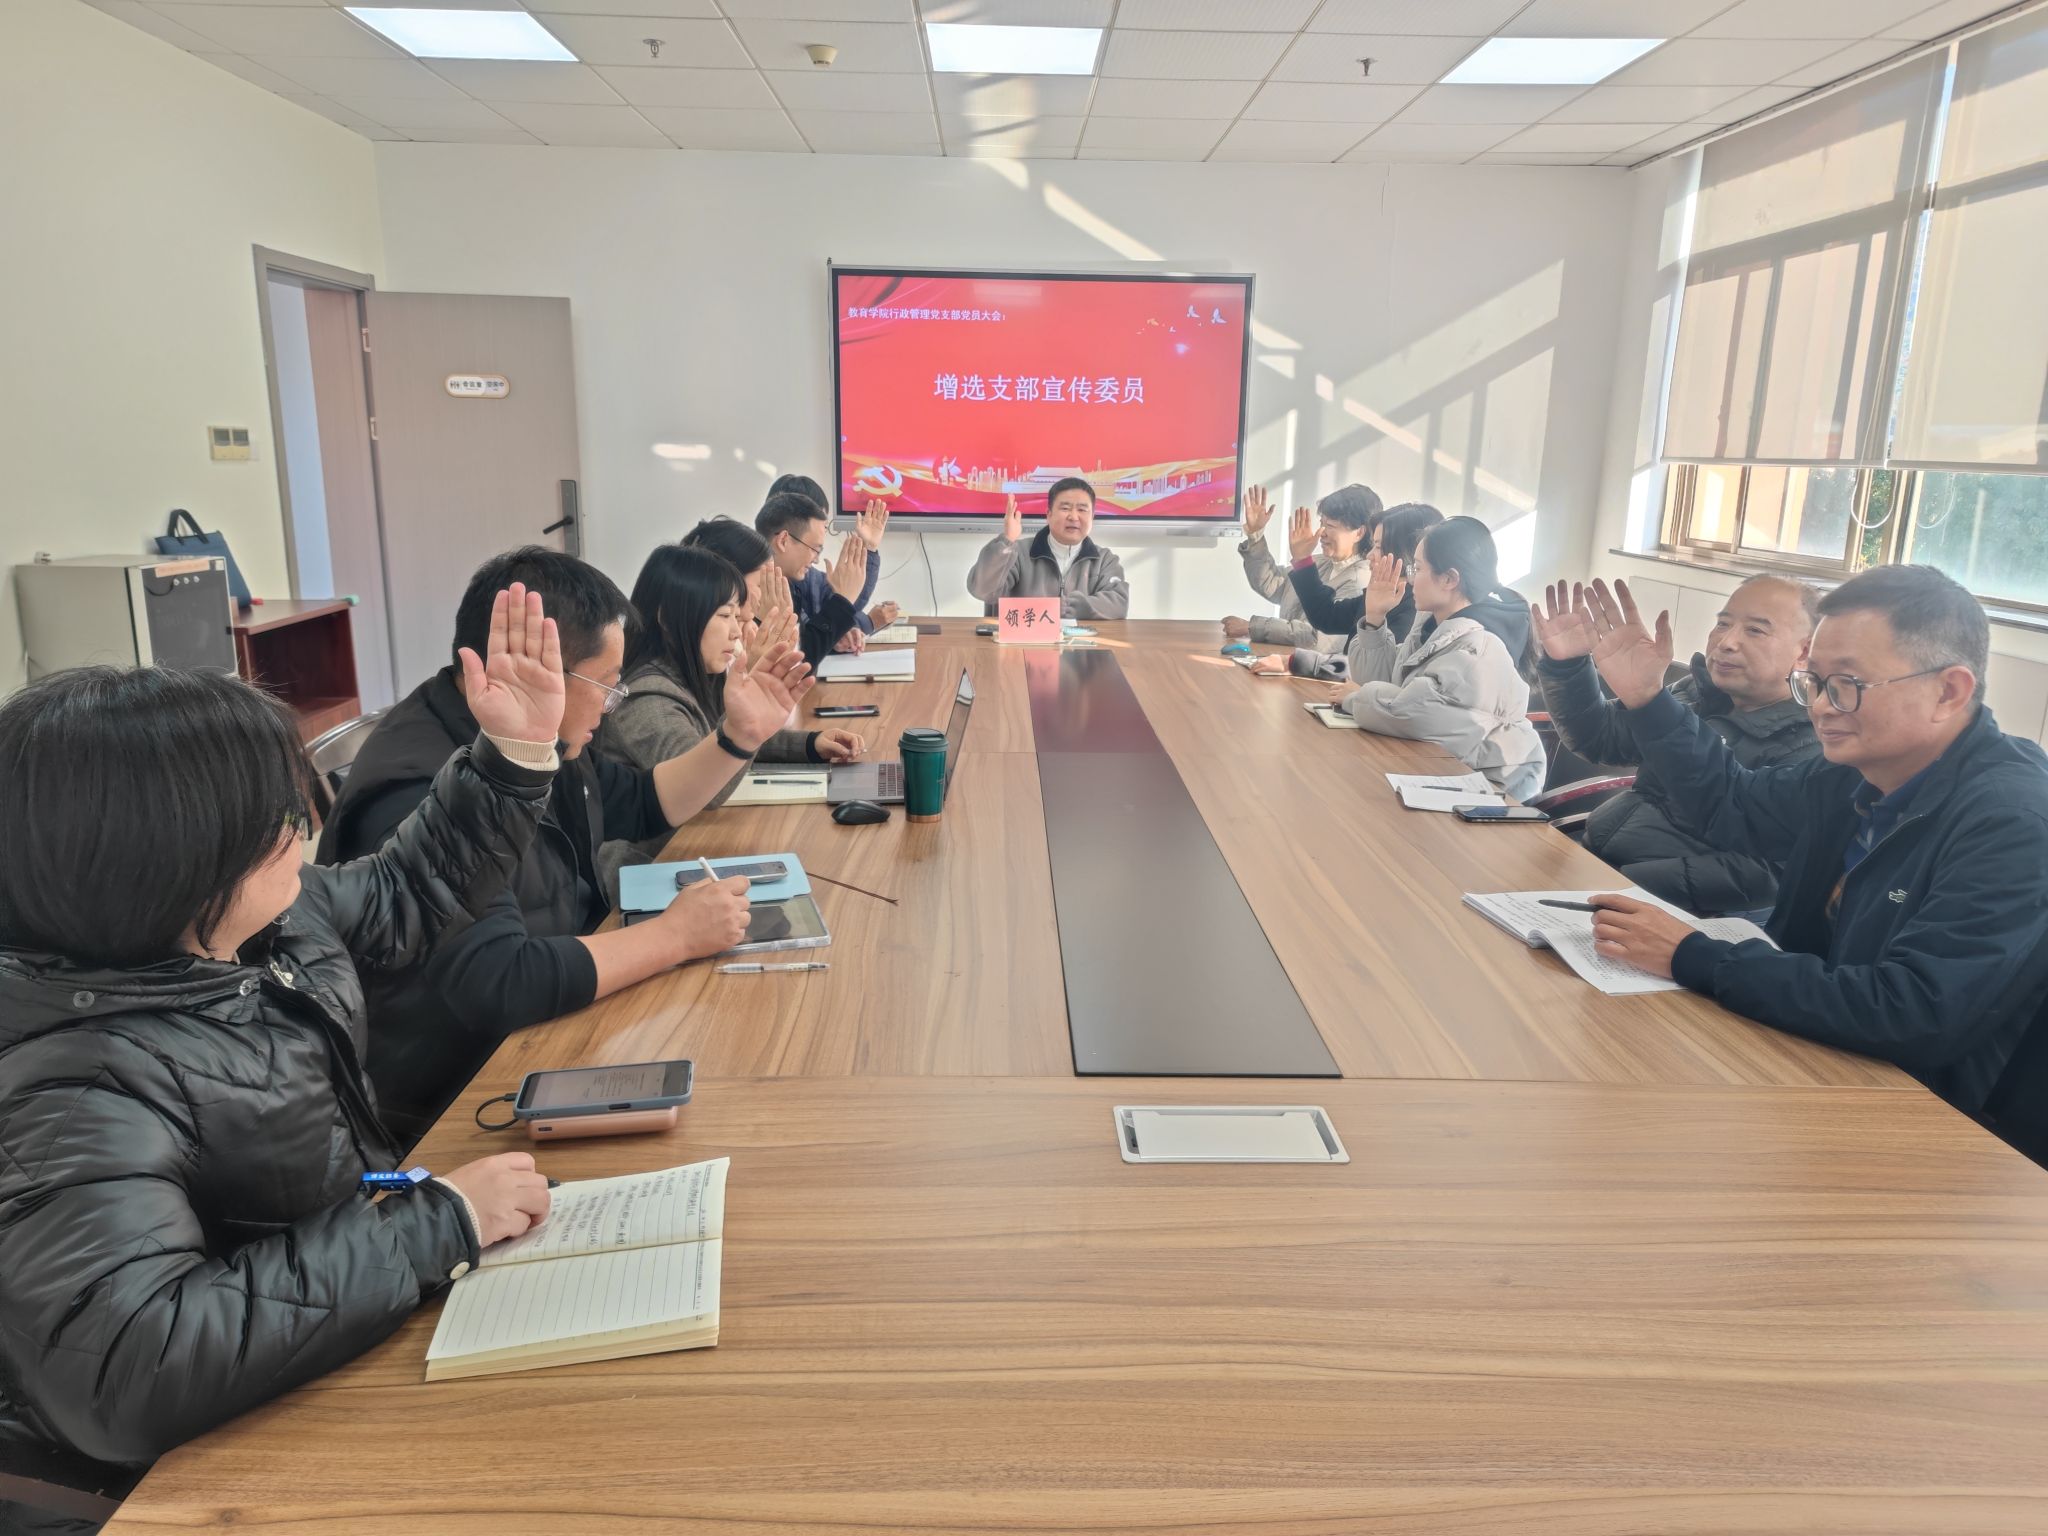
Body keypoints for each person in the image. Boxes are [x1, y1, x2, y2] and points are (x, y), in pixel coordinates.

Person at [0, 587, 565, 1485]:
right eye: (265, 820)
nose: (299, 830)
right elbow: (129, 1365)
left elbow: (405, 891)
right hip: (208, 1466)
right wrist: (434, 1225)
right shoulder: (68, 1085)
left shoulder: (254, 920)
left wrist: (512, 756)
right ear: (156, 861)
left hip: (337, 1328)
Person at [318, 547, 807, 1143]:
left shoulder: (539, 738)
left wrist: (738, 737)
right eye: (605, 684)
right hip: (462, 1098)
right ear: (530, 669)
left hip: (554, 1021)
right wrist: (675, 937)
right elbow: (500, 980)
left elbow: (644, 802)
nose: (613, 702)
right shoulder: (421, 791)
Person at [1557, 566, 2048, 1123]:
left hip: (1917, 1115)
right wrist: (1648, 699)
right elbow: (1732, 804)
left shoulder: (2012, 820)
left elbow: (1913, 1010)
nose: (1819, 707)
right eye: (1812, 682)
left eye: (1846, 685)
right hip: (1808, 1055)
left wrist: (1692, 955)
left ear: (1948, 691)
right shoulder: (1856, 772)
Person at [1532, 575, 1821, 915]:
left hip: (1675, 912)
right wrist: (1567, 667)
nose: (1726, 642)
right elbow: (1601, 739)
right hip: (1598, 863)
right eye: (1723, 623)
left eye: (1756, 630)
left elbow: (1765, 874)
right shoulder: (1697, 691)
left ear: (1804, 652)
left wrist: (1626, 883)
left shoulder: (1812, 741)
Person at [596, 543, 865, 870]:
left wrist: (810, 745)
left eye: (738, 617)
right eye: (725, 616)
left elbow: (721, 738)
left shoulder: (694, 675)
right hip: (649, 868)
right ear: (668, 618)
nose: (737, 631)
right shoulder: (647, 699)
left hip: (693, 851)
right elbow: (710, 782)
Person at [1334, 516, 1545, 800]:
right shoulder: (1433, 625)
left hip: (1492, 792)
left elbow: (1410, 714)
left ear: (1449, 579)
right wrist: (1374, 618)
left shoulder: (1480, 646)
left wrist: (1354, 698)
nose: (1411, 578)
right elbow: (1386, 684)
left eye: (1418, 568)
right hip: (1446, 775)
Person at [1252, 503, 1445, 678]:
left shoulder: (1416, 610)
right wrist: (1302, 559)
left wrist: (1294, 662)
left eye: (1378, 547)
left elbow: (1375, 669)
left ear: (1406, 552)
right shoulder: (1384, 594)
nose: (1370, 555)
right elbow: (1325, 615)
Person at [1223, 482, 1381, 650]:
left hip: (1312, 666)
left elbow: (1316, 638)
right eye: (1321, 523)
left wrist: (1251, 627)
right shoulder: (1319, 563)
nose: (1321, 532)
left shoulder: (1361, 581)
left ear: (1359, 533)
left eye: (1330, 526)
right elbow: (1272, 584)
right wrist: (1256, 536)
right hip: (1285, 659)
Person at [967, 477, 1130, 619]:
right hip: (1020, 644)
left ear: (1092, 517)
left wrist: (1065, 607)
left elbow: (1118, 604)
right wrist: (1007, 540)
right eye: (1065, 508)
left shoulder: (1104, 560)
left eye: (1082, 510)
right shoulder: (1017, 553)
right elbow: (982, 590)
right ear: (1049, 514)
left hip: (1081, 644)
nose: (1073, 516)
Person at [769, 473, 898, 637]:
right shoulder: (762, 580)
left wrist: (869, 548)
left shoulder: (806, 575)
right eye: (819, 525)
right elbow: (809, 638)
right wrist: (868, 622)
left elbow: (840, 606)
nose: (823, 534)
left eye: (825, 525)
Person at [757, 489, 873, 665]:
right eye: (815, 549)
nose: (817, 559)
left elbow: (800, 647)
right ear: (783, 541)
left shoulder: (786, 584)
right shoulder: (753, 590)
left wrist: (835, 641)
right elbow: (795, 664)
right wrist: (843, 600)